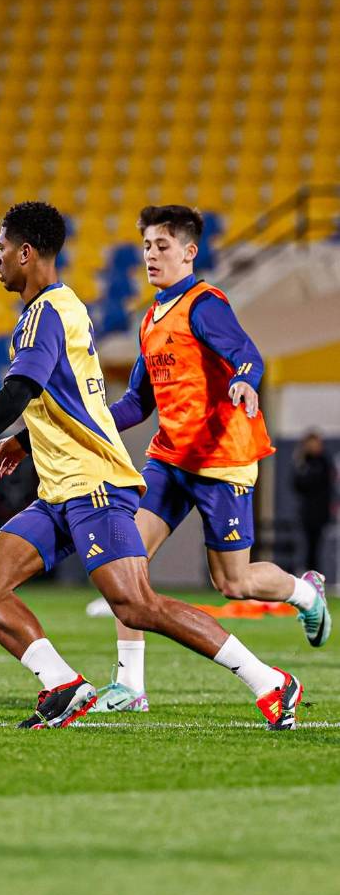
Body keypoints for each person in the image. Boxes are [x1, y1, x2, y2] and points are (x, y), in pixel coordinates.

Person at [0, 201, 302, 731]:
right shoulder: (64, 310)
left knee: (137, 605)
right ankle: (64, 685)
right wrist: (26, 440)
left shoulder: (48, 314)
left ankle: (269, 681)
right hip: (60, 491)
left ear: (25, 252)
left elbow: (17, 392)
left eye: (1, 248)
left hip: (96, 487)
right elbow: (80, 405)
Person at [84, 205, 331, 713]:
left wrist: (244, 379)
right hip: (170, 459)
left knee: (233, 582)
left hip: (222, 461)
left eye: (163, 245)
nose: (152, 255)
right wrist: (88, 421)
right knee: (124, 562)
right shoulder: (150, 319)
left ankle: (305, 593)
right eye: (147, 246)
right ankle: (130, 686)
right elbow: (137, 403)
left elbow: (247, 354)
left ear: (189, 252)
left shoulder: (205, 305)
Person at [292, 431, 335, 572]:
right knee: (307, 546)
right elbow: (298, 484)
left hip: (320, 512)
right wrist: (300, 463)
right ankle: (308, 572)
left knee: (317, 546)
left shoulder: (323, 461)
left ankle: (316, 574)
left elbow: (317, 482)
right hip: (307, 513)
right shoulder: (304, 462)